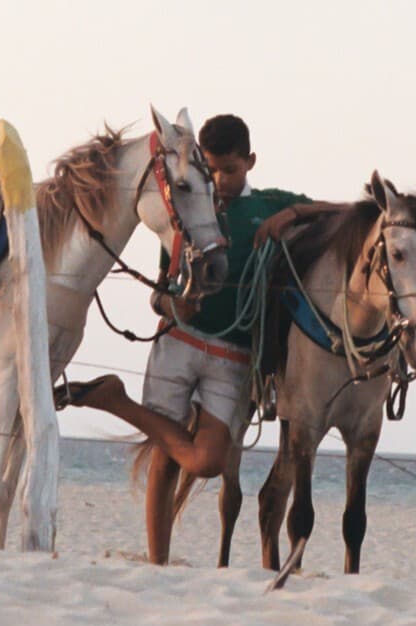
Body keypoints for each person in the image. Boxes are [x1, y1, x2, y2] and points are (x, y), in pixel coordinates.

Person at [58, 114, 338, 565]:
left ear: (250, 162)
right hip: (179, 341)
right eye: (213, 170)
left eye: (230, 170)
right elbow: (159, 295)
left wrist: (289, 215)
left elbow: (337, 211)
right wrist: (175, 307)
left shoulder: (267, 205)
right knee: (165, 459)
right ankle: (158, 563)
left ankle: (115, 400)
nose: (222, 180)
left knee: (207, 461)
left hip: (232, 352)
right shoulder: (189, 204)